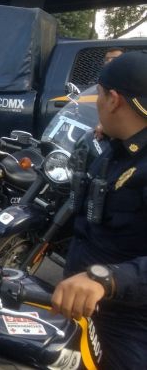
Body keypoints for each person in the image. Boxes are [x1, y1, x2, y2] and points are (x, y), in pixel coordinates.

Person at [51, 50, 147, 368]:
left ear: (113, 100)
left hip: (127, 322)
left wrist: (106, 279)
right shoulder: (112, 149)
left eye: (100, 95)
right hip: (81, 307)